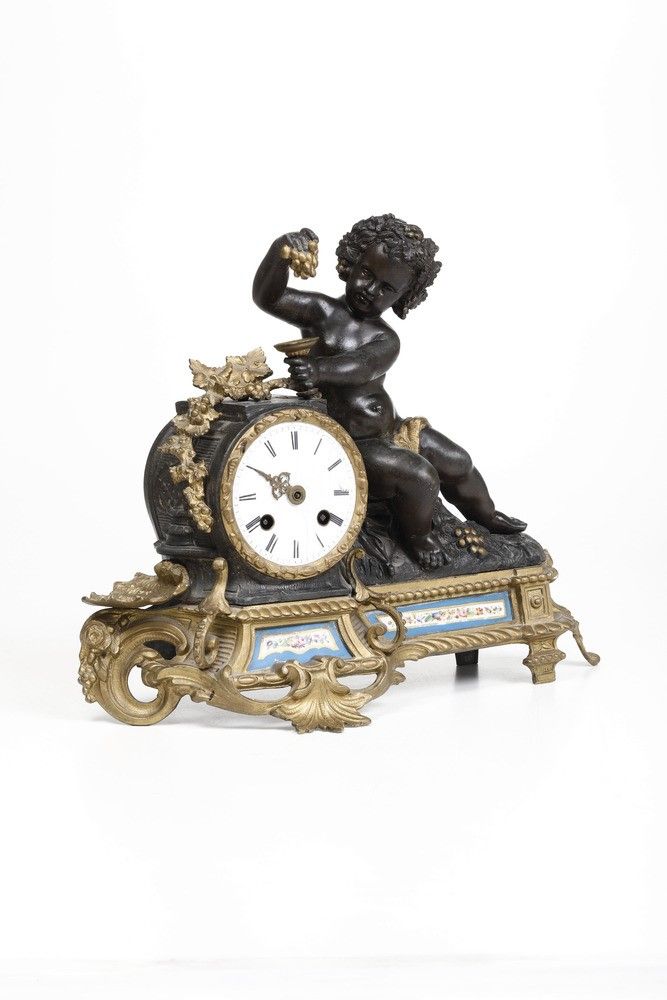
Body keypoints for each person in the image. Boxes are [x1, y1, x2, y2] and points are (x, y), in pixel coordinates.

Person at [252, 214, 525, 569]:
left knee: (458, 461)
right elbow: (269, 296)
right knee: (420, 476)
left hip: (393, 430)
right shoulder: (321, 312)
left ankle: (486, 515)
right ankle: (419, 536)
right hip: (351, 442)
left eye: (386, 289)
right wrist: (280, 253)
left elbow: (362, 365)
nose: (370, 290)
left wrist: (319, 370)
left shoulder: (386, 339)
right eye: (367, 273)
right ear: (351, 262)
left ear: (402, 297)